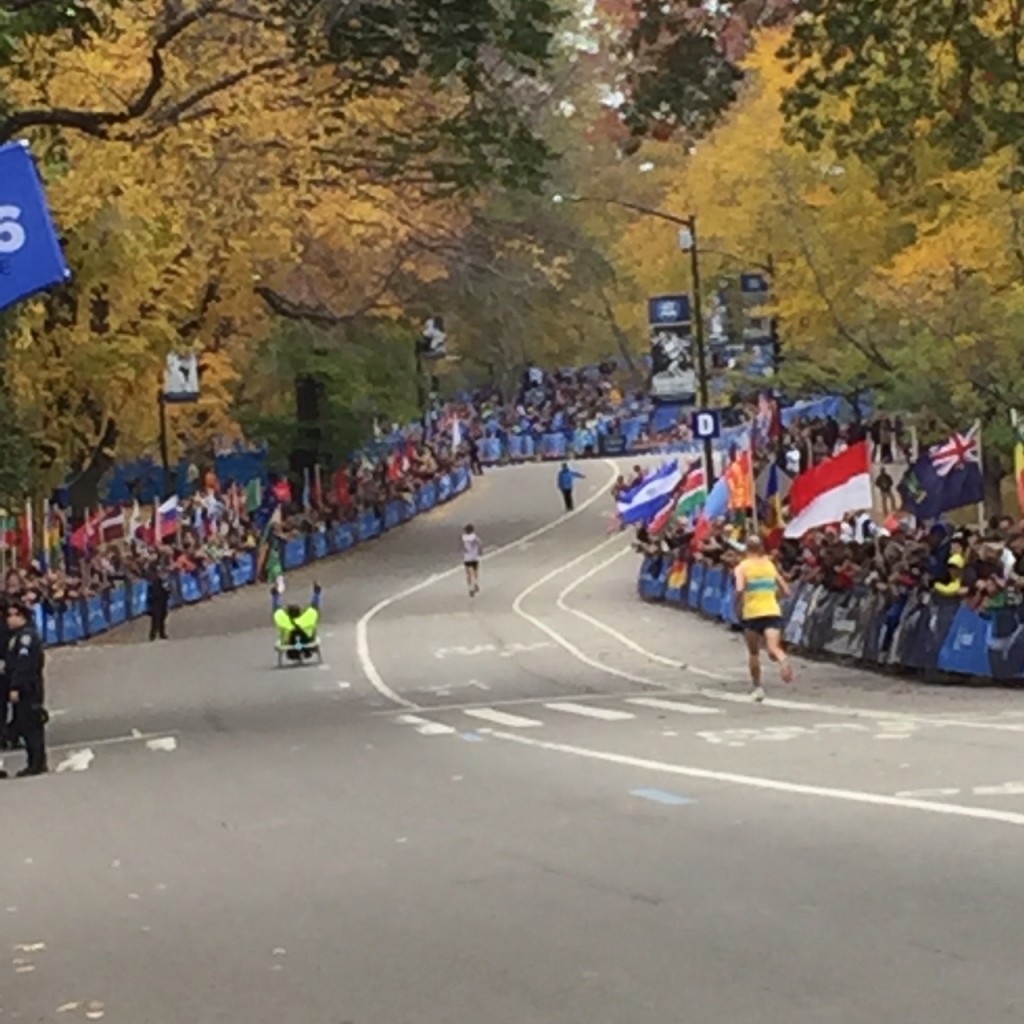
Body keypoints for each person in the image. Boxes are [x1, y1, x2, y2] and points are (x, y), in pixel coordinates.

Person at [733, 536, 794, 702]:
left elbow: (739, 590)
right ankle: (783, 659)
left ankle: (757, 687)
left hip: (752, 612)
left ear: (746, 549)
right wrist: (774, 597)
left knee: (754, 652)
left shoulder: (742, 567)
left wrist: (736, 606)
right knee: (773, 648)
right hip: (772, 610)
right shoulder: (769, 565)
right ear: (761, 548)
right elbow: (786, 591)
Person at [4, 600, 48, 777]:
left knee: (31, 726)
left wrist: (16, 686)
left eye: (13, 615)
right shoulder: (16, 636)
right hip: (26, 685)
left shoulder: (26, 638)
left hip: (27, 687)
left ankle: (36, 763)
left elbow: (24, 665)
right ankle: (34, 761)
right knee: (24, 723)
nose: (9, 619)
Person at [271, 578, 322, 661]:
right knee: (312, 632)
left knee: (282, 637)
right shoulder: (307, 617)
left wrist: (275, 596)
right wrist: (317, 593)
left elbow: (276, 609)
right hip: (307, 647)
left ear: (288, 614)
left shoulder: (284, 620)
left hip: (290, 649)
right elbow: (315, 606)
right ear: (300, 612)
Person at [146, 566, 171, 641]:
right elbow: (153, 592)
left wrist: (168, 591)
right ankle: (152, 635)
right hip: (156, 602)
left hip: (163, 601)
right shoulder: (155, 581)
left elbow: (168, 590)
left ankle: (162, 633)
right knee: (156, 618)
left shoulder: (164, 581)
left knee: (163, 617)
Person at [462, 524, 483, 597]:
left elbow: (463, 547)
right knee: (475, 572)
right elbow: (479, 544)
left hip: (467, 558)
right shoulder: (475, 537)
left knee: (468, 574)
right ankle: (475, 583)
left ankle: (470, 588)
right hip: (474, 557)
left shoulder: (464, 538)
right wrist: (480, 551)